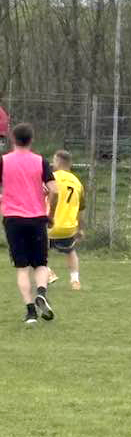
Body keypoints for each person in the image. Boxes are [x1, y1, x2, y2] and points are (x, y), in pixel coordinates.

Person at [0, 122, 58, 324]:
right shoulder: (41, 161)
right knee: (41, 263)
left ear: (13, 139)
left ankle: (30, 312)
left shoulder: (3, 161)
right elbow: (55, 190)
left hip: (13, 219)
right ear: (31, 140)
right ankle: (41, 292)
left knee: (22, 267)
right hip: (37, 218)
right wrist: (51, 214)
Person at [47, 150, 84, 290]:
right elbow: (80, 209)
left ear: (57, 162)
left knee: (31, 248)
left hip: (51, 225)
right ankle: (75, 281)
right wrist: (80, 229)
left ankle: (48, 273)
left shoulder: (52, 178)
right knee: (70, 251)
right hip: (69, 227)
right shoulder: (77, 183)